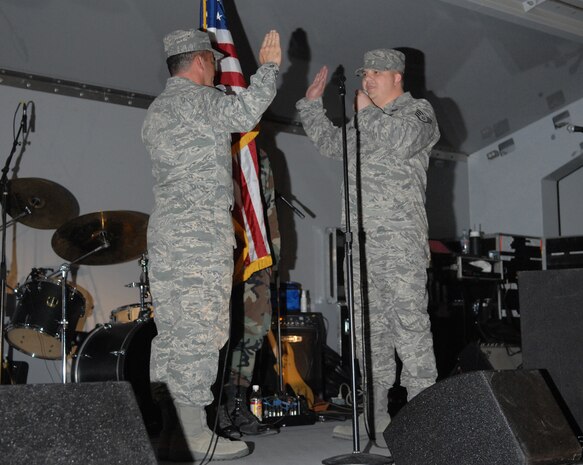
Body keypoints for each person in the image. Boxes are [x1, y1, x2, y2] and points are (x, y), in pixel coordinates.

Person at [141, 28, 281, 462]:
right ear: (201, 61)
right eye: (214, 61)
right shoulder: (198, 101)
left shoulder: (157, 109)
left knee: (172, 336)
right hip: (199, 234)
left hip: (167, 233)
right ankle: (195, 435)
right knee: (200, 334)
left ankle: (171, 431)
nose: (218, 68)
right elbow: (245, 112)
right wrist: (270, 69)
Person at [296, 49, 439, 441]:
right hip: (360, 245)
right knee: (368, 335)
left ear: (398, 78)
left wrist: (367, 113)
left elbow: (400, 142)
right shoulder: (364, 121)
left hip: (399, 243)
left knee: (410, 330)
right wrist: (311, 106)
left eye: (377, 72)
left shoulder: (419, 113)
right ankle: (375, 419)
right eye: (365, 73)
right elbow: (330, 143)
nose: (368, 79)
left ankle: (428, 422)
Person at [213, 149, 281, 438]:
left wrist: (272, 257)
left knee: (252, 331)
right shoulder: (211, 142)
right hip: (218, 252)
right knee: (217, 334)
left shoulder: (256, 153)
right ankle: (212, 409)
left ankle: (237, 404)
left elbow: (267, 205)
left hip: (255, 257)